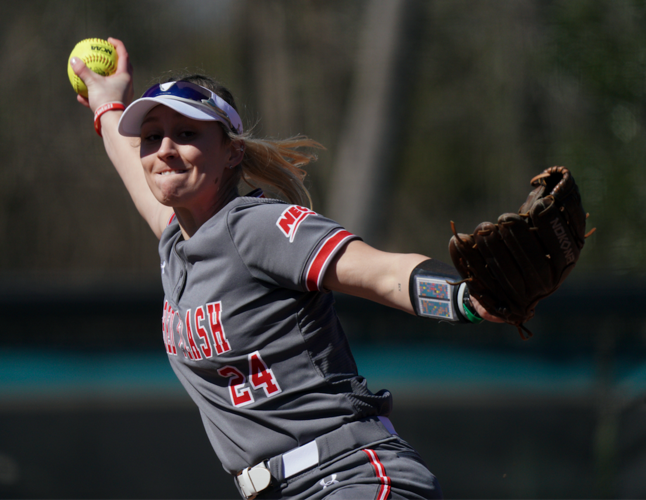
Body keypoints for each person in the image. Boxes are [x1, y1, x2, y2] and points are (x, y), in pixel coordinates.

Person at [71, 37, 500, 500]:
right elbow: (136, 172)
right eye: (152, 136)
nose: (165, 150)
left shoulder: (258, 227)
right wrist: (106, 100)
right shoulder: (178, 240)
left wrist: (466, 298)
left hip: (350, 476)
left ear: (232, 152)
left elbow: (378, 271)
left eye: (188, 134)